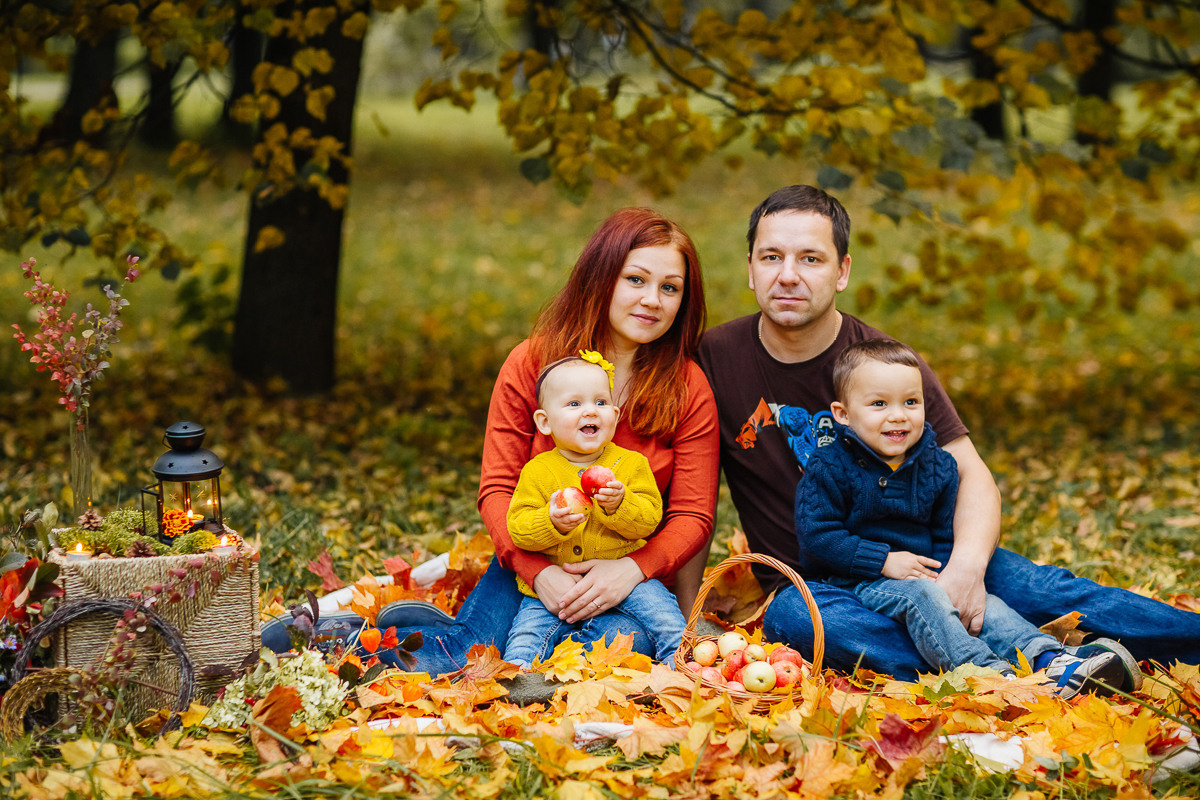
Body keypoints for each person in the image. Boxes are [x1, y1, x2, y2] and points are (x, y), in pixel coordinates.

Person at [697, 184, 1200, 683]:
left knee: (1050, 592)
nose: (788, 275)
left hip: (925, 559)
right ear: (749, 268)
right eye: (771, 257)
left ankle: (1135, 647)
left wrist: (965, 569)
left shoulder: (886, 363)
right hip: (818, 585)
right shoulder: (715, 358)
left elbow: (972, 475)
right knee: (794, 622)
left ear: (842, 271)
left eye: (810, 258)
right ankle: (1024, 666)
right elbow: (686, 488)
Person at [264, 207, 718, 674]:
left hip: (630, 579)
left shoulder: (687, 386)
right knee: (466, 656)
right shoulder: (532, 363)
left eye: (670, 288)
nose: (652, 300)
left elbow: (693, 514)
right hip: (532, 563)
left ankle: (428, 625)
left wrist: (633, 570)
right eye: (635, 280)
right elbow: (498, 490)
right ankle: (326, 640)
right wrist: (540, 574)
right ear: (600, 278)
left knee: (613, 652)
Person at [796, 338, 1125, 695]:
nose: (898, 415)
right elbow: (817, 536)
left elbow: (943, 532)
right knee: (923, 597)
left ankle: (1051, 661)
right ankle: (991, 677)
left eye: (911, 402)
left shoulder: (938, 466)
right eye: (879, 404)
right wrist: (883, 561)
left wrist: (951, 578)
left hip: (926, 572)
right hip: (853, 579)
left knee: (985, 608)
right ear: (842, 414)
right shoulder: (829, 465)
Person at [504, 353, 685, 668]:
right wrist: (551, 522)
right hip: (556, 586)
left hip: (625, 581)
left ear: (614, 415)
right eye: (574, 404)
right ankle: (519, 677)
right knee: (527, 634)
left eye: (600, 403)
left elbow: (648, 520)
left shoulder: (630, 466)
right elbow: (518, 527)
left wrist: (620, 505)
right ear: (544, 422)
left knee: (662, 613)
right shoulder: (538, 471)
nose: (590, 411)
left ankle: (681, 662)